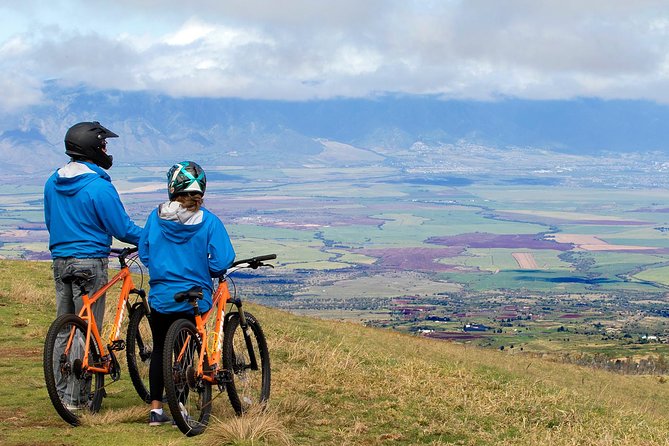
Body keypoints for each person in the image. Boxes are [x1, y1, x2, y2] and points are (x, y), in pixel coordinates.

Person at [44, 121, 142, 408]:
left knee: (66, 328)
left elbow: (51, 221)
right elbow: (121, 228)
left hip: (60, 261)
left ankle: (62, 393)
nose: (106, 149)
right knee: (87, 329)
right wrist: (151, 237)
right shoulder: (98, 187)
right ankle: (77, 399)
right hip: (90, 262)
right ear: (93, 148)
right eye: (104, 144)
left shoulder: (52, 181)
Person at [138, 160, 235, 426]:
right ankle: (183, 405)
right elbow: (222, 260)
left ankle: (156, 410)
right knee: (188, 350)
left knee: (160, 349)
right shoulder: (210, 222)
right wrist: (205, 269)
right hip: (196, 297)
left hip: (161, 296)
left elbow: (144, 252)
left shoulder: (155, 217)